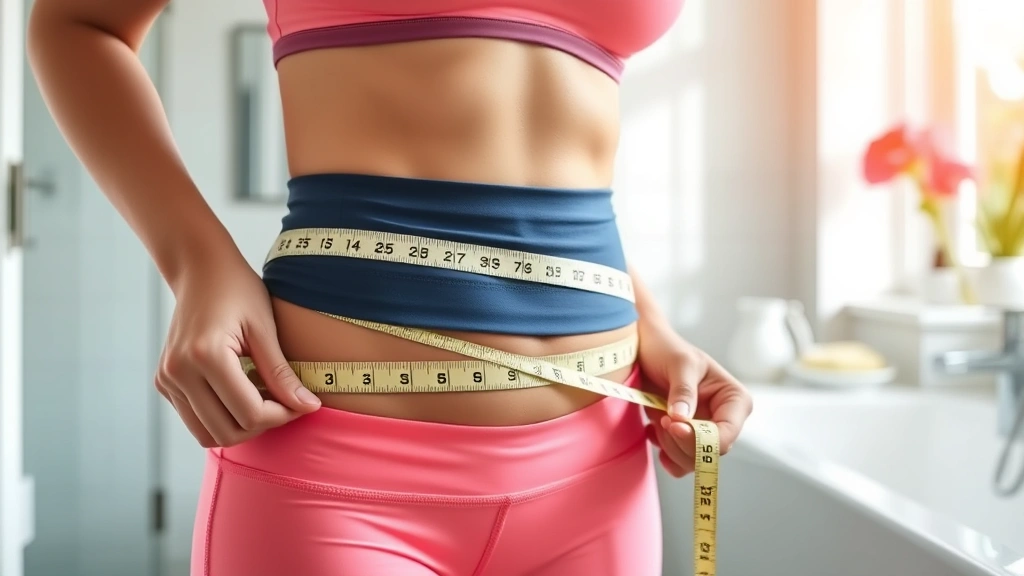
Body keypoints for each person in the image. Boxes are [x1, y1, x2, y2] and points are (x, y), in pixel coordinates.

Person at [27, 0, 754, 574]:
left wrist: (648, 323)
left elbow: (553, 166)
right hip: (335, 478)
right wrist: (197, 261)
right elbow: (78, 23)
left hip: (602, 469)